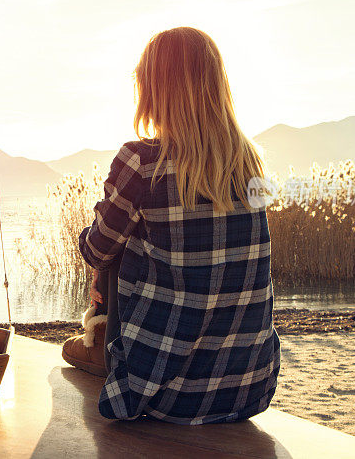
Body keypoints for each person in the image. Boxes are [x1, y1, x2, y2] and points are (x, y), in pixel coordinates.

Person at [61, 27, 281, 424]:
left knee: (114, 247)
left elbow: (96, 249)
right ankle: (102, 341)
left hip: (162, 393)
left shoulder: (141, 161)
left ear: (153, 89)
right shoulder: (251, 162)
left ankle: (99, 340)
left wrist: (101, 243)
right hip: (249, 387)